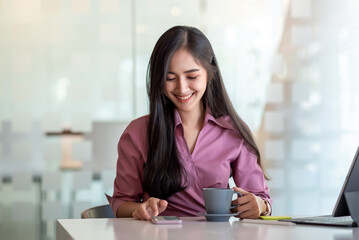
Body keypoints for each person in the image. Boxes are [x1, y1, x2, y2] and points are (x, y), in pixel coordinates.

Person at [106, 25, 272, 220]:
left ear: (210, 73)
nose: (182, 88)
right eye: (170, 78)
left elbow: (261, 199)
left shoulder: (234, 131)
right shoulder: (138, 133)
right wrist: (138, 210)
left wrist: (260, 206)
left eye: (192, 76)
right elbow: (121, 203)